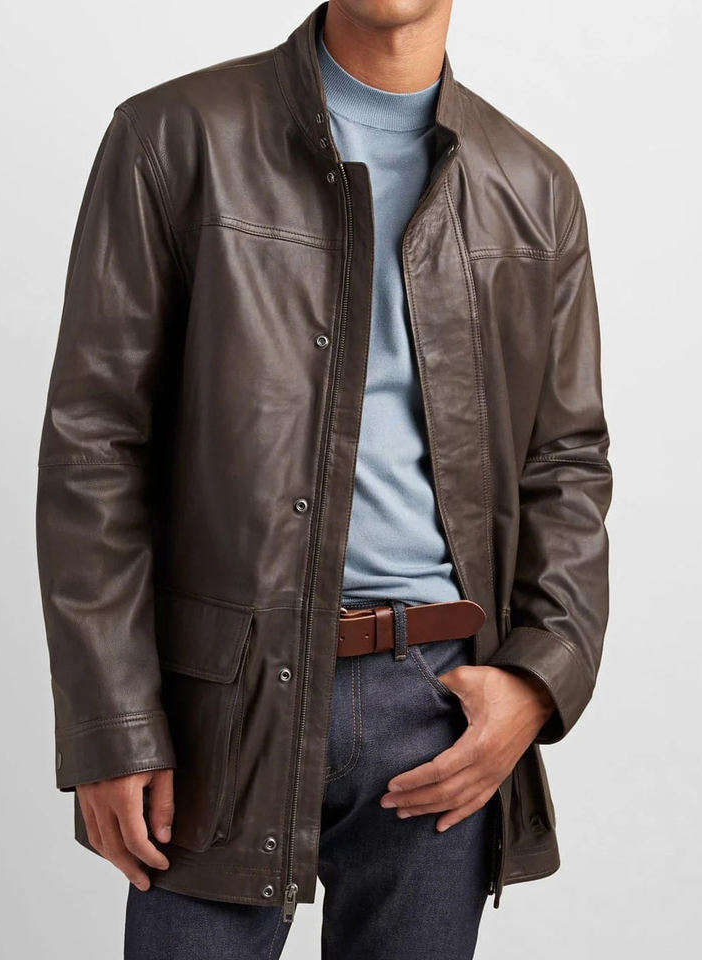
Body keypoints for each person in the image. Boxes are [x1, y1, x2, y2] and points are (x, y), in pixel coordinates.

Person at [35, 1, 612, 956]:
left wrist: (540, 677)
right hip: (223, 702)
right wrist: (114, 721)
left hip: (440, 701)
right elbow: (95, 446)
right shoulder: (174, 137)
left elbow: (567, 460)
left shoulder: (532, 186)